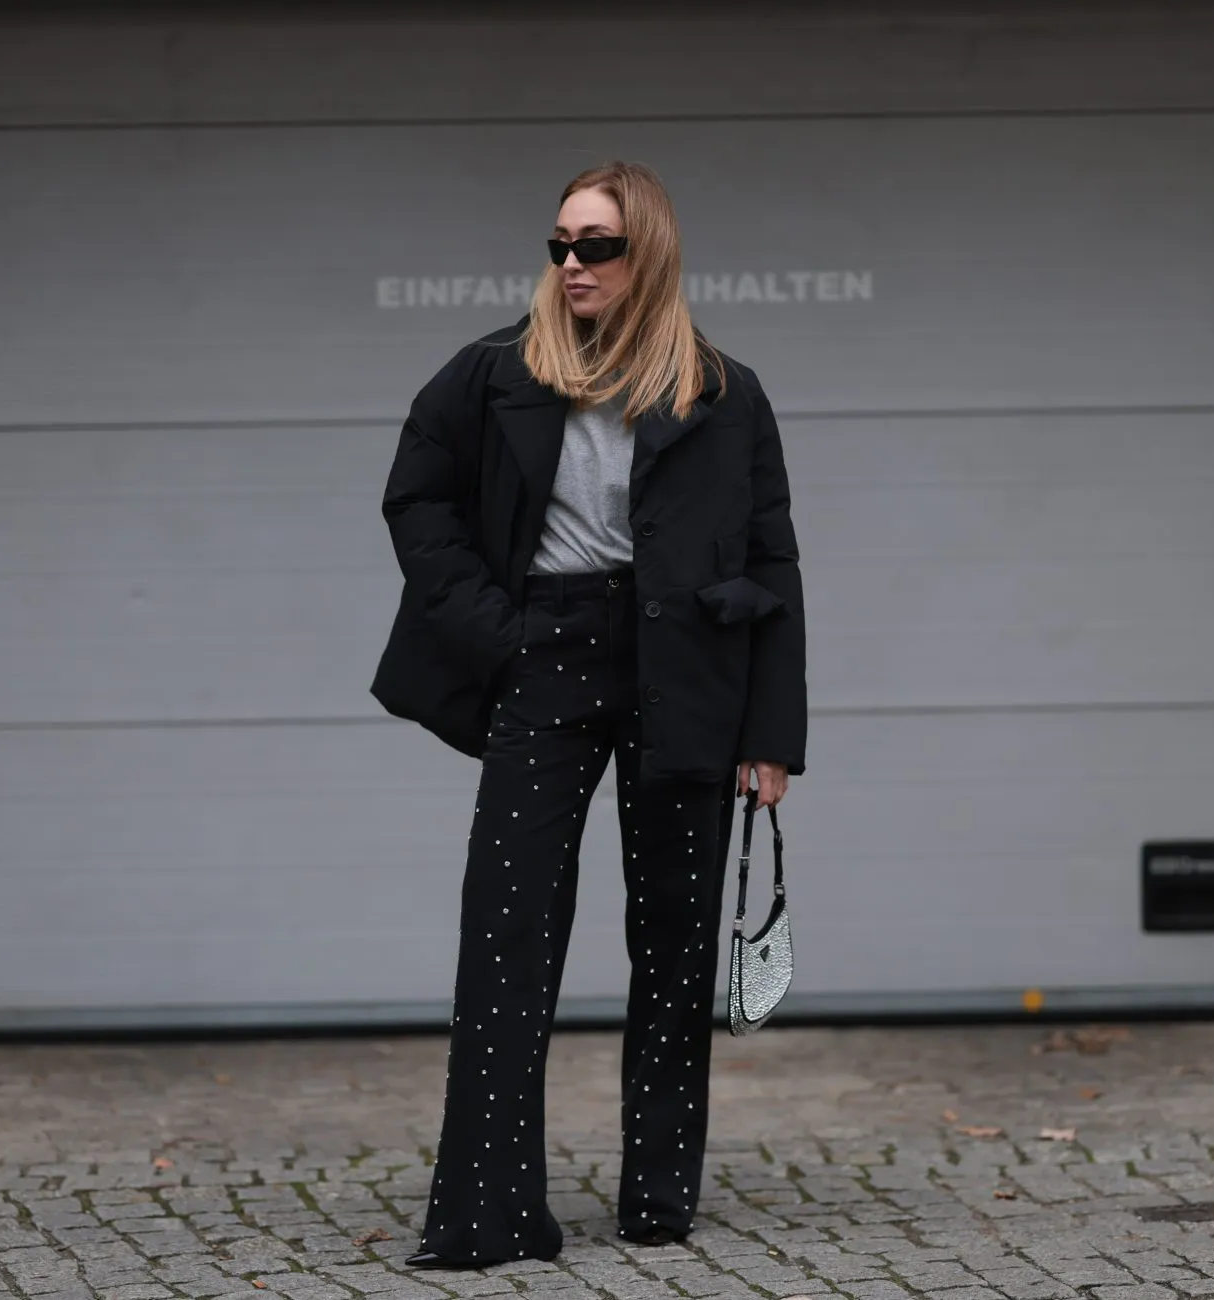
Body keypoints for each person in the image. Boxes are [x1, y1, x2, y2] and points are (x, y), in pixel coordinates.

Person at [370, 160, 808, 1269]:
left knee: (671, 941)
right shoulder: (491, 375)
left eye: (596, 246)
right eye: (559, 243)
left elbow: (771, 558)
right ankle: (483, 1210)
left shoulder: (722, 391)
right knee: (506, 933)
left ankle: (656, 1196)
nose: (571, 263)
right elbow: (415, 501)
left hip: (687, 670)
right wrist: (493, 628)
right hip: (545, 656)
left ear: (645, 254)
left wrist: (769, 733)